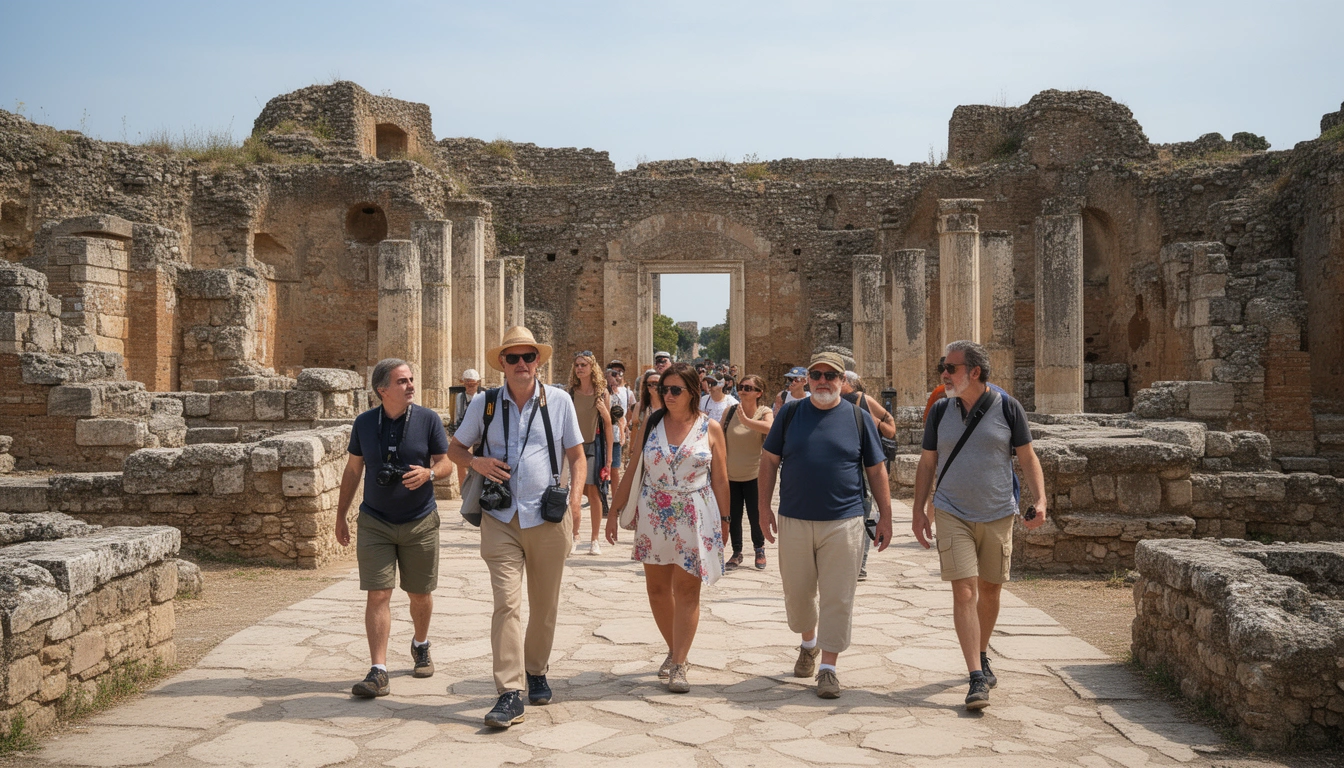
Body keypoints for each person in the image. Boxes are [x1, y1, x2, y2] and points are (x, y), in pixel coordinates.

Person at [448, 326, 586, 729]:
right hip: (501, 517)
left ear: (538, 362)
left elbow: (577, 456)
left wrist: (575, 500)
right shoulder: (486, 404)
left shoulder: (558, 401)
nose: (521, 364)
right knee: (506, 603)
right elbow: (455, 448)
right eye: (513, 358)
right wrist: (476, 462)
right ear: (503, 364)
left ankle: (536, 669)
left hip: (547, 516)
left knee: (545, 605)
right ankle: (509, 692)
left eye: (528, 357)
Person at [911, 340, 1047, 711]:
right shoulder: (940, 411)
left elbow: (1027, 456)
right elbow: (927, 463)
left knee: (990, 591)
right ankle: (975, 676)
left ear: (974, 372)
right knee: (965, 593)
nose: (944, 373)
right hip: (952, 510)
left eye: (951, 368)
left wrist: (1041, 500)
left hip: (998, 512)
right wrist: (919, 509)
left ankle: (981, 653)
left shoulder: (1008, 407)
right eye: (943, 366)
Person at [758, 352, 891, 699]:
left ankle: (829, 668)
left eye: (829, 376)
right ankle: (809, 642)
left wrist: (886, 516)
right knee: (798, 594)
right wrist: (762, 508)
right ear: (806, 378)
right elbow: (770, 461)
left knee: (838, 595)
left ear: (841, 381)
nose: (822, 381)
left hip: (844, 520)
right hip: (794, 517)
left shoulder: (858, 418)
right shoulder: (789, 414)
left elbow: (876, 470)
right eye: (815, 374)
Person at [607, 362, 729, 693]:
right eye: (664, 390)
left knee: (687, 590)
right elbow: (633, 467)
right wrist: (614, 509)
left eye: (676, 390)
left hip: (695, 514)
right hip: (655, 514)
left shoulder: (711, 429)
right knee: (657, 590)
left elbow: (719, 478)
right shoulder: (652, 422)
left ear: (693, 392)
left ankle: (678, 664)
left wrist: (725, 521)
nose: (668, 395)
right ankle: (676, 651)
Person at [335, 358, 452, 699]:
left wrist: (429, 474)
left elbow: (447, 463)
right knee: (379, 593)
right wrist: (341, 515)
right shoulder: (364, 423)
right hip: (375, 521)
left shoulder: (428, 419)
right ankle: (379, 670)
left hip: (420, 521)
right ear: (382, 390)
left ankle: (420, 643)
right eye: (403, 381)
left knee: (419, 594)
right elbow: (354, 470)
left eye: (412, 379)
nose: (411, 385)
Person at [841, 370, 898, 581]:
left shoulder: (863, 400)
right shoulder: (825, 400)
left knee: (864, 511)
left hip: (866, 463)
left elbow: (891, 429)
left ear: (850, 382)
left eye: (837, 377)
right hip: (842, 464)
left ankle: (860, 565)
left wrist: (875, 422)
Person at [720, 374, 773, 571]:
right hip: (730, 475)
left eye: (748, 388)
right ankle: (736, 552)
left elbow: (770, 428)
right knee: (733, 515)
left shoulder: (764, 411)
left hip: (755, 475)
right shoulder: (730, 411)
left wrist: (746, 421)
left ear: (759, 393)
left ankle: (759, 548)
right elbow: (718, 436)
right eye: (741, 387)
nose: (743, 390)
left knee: (755, 514)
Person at [569, 351, 613, 554]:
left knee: (594, 492)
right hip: (571, 446)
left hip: (593, 445)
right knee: (573, 493)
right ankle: (574, 533)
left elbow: (608, 427)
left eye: (583, 365)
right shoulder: (569, 392)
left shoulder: (601, 393)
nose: (579, 368)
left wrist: (610, 458)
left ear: (591, 367)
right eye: (577, 365)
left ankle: (595, 538)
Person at [606, 360, 634, 494]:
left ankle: (615, 496)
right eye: (614, 372)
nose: (617, 375)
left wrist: (626, 426)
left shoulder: (627, 392)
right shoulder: (603, 391)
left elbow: (631, 409)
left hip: (617, 435)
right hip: (603, 434)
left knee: (615, 468)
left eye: (620, 372)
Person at [452, 369, 484, 489]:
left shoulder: (483, 397)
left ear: (478, 383)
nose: (470, 387)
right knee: (460, 459)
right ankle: (463, 488)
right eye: (467, 384)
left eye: (472, 384)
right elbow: (457, 416)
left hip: (480, 433)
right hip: (465, 431)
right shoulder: (460, 397)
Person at [631, 370, 663, 440]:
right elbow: (635, 429)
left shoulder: (668, 406)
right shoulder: (640, 406)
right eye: (649, 383)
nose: (652, 386)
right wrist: (632, 449)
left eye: (655, 383)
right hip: (644, 444)